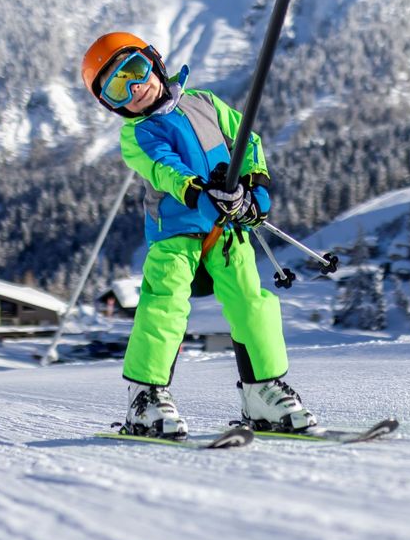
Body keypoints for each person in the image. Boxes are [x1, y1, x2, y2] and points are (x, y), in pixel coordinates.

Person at [79, 32, 317, 439]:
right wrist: (198, 192)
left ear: (154, 62)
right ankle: (147, 397)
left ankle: (262, 392)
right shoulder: (137, 134)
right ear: (111, 105)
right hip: (175, 233)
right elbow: (163, 169)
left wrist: (254, 185)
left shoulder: (204, 103)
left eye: (135, 71)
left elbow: (247, 140)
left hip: (227, 228)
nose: (135, 88)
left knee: (251, 301)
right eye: (118, 87)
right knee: (164, 306)